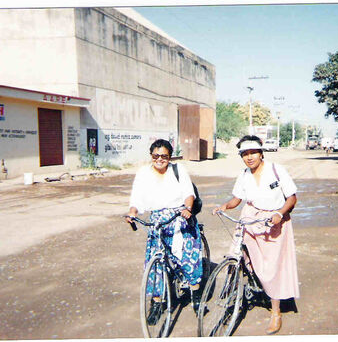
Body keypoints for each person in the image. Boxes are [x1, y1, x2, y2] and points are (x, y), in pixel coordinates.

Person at [213, 135, 299, 335]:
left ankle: (276, 311)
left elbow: (292, 198)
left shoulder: (277, 170)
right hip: (250, 217)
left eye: (252, 153)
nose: (249, 157)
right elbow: (237, 199)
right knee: (235, 254)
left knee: (271, 268)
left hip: (273, 221)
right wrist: (224, 206)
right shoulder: (244, 175)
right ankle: (234, 293)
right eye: (245, 154)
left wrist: (279, 213)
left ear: (261, 153)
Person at [125, 139, 203, 321]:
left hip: (180, 217)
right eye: (156, 156)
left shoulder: (178, 170)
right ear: (151, 155)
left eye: (164, 156)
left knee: (187, 258)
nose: (160, 159)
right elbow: (136, 197)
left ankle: (196, 294)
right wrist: (132, 212)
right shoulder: (143, 173)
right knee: (155, 262)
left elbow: (188, 193)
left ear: (170, 157)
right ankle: (157, 303)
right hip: (157, 221)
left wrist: (187, 208)